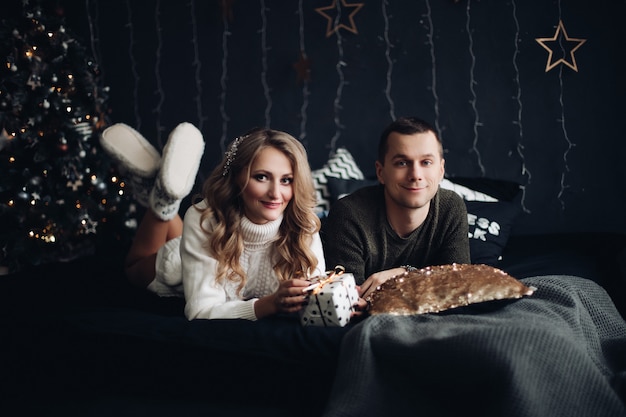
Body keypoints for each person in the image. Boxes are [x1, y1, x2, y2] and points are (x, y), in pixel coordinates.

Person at [101, 123, 326, 321]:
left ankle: (159, 188)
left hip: (198, 245)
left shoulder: (303, 223)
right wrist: (268, 305)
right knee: (134, 270)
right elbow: (201, 311)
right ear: (236, 178)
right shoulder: (204, 218)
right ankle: (163, 199)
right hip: (181, 268)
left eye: (286, 180)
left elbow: (316, 297)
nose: (276, 193)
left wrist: (349, 302)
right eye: (261, 177)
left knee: (194, 228)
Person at [322, 116, 470, 300]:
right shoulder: (349, 214)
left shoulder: (451, 207)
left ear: (441, 170)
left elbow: (459, 286)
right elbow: (352, 302)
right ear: (380, 172)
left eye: (426, 162)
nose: (415, 175)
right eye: (402, 163)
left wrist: (404, 275)